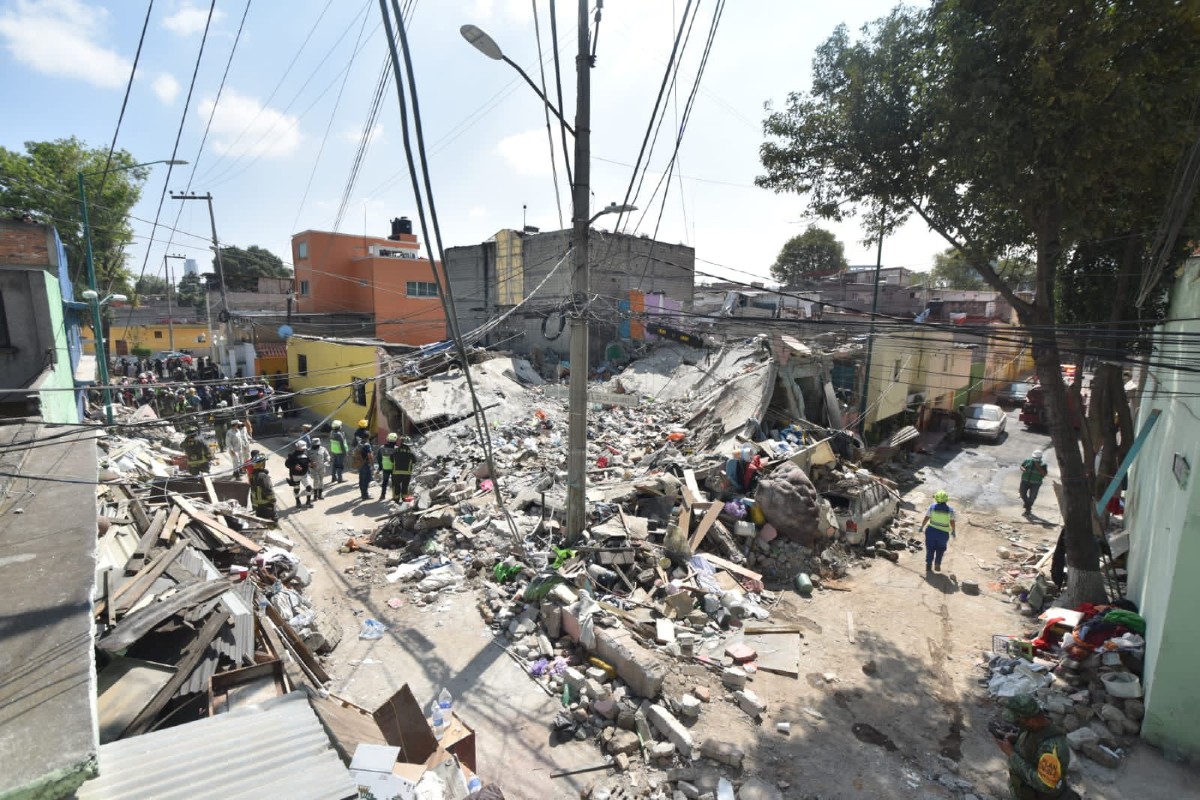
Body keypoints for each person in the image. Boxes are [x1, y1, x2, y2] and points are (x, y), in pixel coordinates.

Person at [995, 694, 1073, 800]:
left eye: (1017, 721)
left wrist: (1011, 754)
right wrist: (1016, 740)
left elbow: (1045, 785)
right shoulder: (1034, 728)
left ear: (1031, 720)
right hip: (1023, 791)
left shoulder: (1052, 746)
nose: (1016, 724)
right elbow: (1032, 749)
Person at [919, 489, 956, 572]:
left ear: (936, 498)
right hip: (943, 534)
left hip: (931, 531)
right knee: (940, 549)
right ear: (946, 499)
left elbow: (926, 518)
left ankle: (928, 565)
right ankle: (937, 564)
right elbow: (952, 522)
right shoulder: (951, 510)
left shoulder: (932, 507)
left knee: (930, 548)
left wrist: (922, 527)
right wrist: (953, 531)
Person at [284, 440, 314, 509]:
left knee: (309, 488)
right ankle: (298, 502)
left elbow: (308, 462)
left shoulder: (306, 455)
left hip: (305, 475)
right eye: (302, 448)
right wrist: (294, 467)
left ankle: (308, 502)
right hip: (295, 476)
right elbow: (287, 464)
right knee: (297, 489)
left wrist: (311, 465)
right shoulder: (291, 456)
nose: (304, 449)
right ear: (297, 448)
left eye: (304, 448)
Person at [248, 454, 277, 523]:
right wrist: (273, 500)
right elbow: (268, 490)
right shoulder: (263, 476)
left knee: (261, 522)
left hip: (257, 506)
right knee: (271, 523)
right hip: (266, 505)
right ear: (261, 464)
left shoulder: (253, 475)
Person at [1020, 450, 1049, 515]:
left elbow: (1044, 474)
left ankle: (1028, 508)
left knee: (1032, 496)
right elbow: (1022, 466)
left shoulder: (1043, 464)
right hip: (1025, 481)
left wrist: (1038, 466)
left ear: (1040, 458)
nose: (1035, 459)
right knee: (1022, 493)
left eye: (1037, 458)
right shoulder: (1027, 461)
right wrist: (1023, 469)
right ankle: (1027, 505)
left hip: (1036, 483)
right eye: (1035, 458)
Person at [390, 435, 417, 502]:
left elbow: (391, 459)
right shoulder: (410, 452)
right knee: (405, 486)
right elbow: (415, 461)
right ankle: (404, 499)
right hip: (407, 472)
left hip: (396, 472)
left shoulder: (395, 450)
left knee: (396, 485)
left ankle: (396, 499)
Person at [376, 433, 398, 501]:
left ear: (387, 439)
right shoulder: (397, 449)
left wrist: (380, 467)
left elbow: (379, 458)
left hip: (385, 468)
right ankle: (395, 497)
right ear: (395, 440)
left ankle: (382, 495)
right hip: (394, 468)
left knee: (385, 482)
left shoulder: (382, 448)